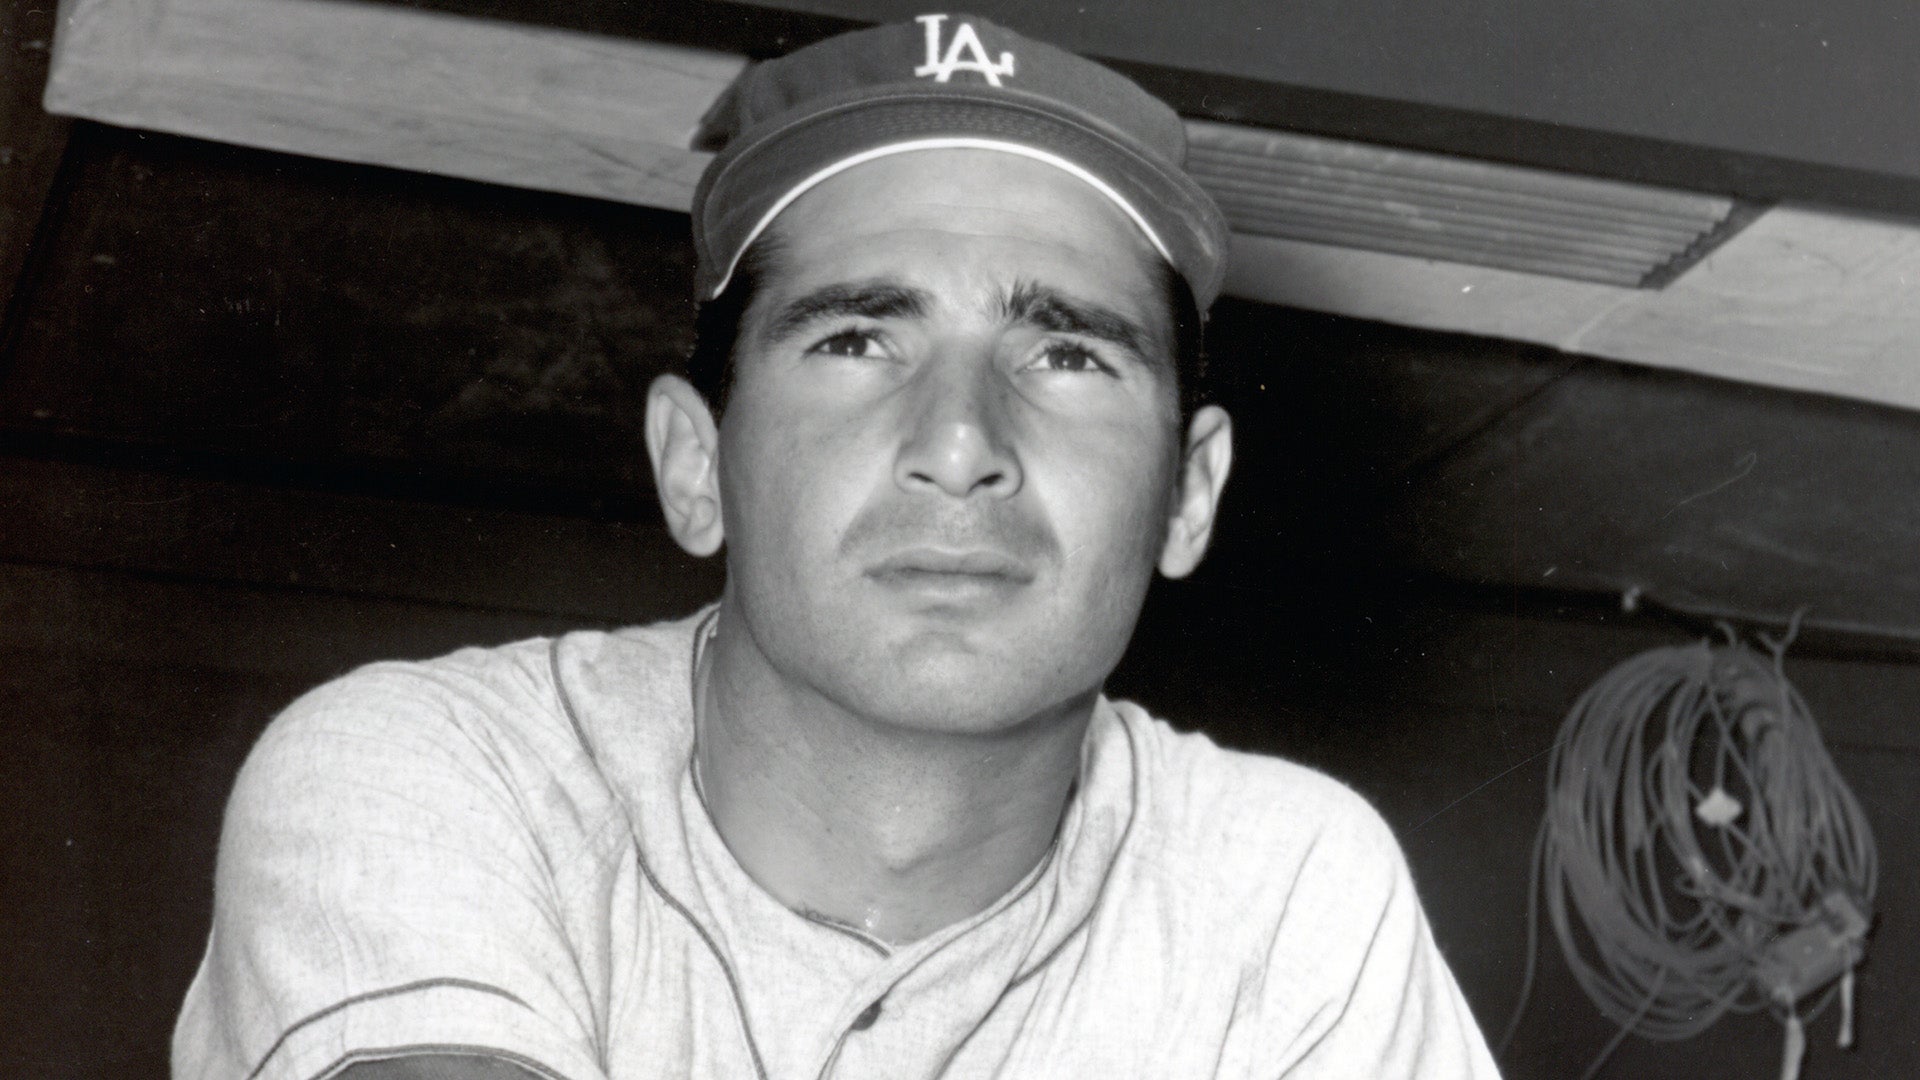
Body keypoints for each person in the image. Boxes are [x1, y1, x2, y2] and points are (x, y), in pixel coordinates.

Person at [173, 13, 1500, 1080]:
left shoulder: (1289, 885)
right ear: (697, 466)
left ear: (1189, 494)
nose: (964, 439)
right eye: (857, 339)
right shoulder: (434, 772)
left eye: (1069, 351)